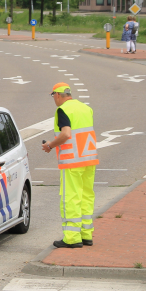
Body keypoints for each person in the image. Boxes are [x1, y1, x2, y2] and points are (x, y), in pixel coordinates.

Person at [41, 83, 98, 249]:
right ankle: (86, 234)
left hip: (72, 161)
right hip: (89, 159)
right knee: (87, 196)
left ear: (58, 95)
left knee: (71, 197)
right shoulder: (86, 108)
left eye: (53, 96)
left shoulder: (63, 110)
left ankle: (72, 238)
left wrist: (50, 145)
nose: (54, 100)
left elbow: (66, 134)